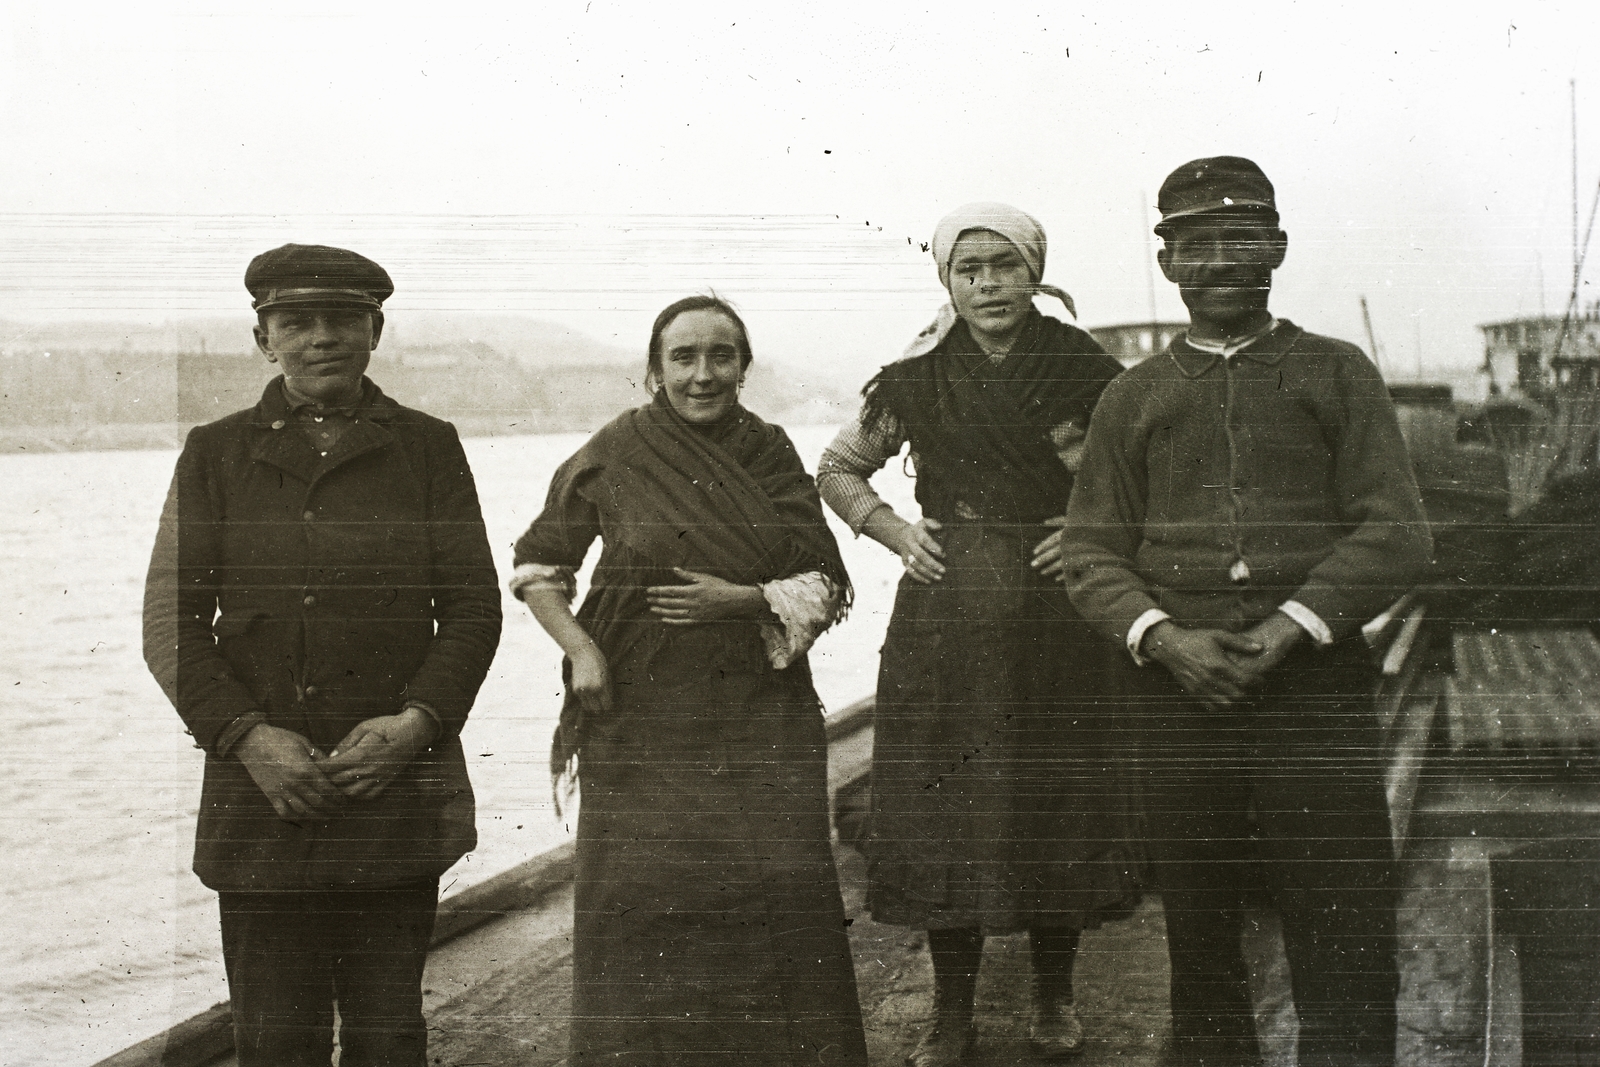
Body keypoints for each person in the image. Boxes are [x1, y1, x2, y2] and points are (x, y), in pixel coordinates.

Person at [1061, 157, 1432, 1067]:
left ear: (1278, 248)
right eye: (1195, 244)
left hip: (1313, 693)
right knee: (1200, 931)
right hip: (1179, 700)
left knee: (1343, 921)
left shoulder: (1337, 373)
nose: (1221, 261)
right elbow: (1090, 552)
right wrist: (1166, 638)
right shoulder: (1130, 395)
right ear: (1168, 263)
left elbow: (1397, 534)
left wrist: (1289, 624)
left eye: (1243, 238)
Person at [142, 244, 502, 1067]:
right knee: (274, 1041)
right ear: (261, 338)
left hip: (393, 792)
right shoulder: (214, 452)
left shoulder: (428, 446)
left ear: (376, 330)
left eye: (343, 318)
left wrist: (416, 726)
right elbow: (170, 620)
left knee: (388, 1034)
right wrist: (247, 738)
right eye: (295, 321)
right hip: (262, 800)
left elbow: (474, 609)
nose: (321, 337)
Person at [816, 204, 1141, 1066]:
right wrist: (894, 530)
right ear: (947, 280)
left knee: (1057, 798)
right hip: (947, 615)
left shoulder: (1086, 369)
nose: (989, 284)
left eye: (1005, 266)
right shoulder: (914, 376)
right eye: (970, 270)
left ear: (1035, 270)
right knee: (942, 805)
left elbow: (1143, 472)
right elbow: (838, 466)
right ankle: (950, 1012)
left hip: (1057, 614)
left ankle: (1055, 997)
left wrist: (1087, 530)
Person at [509, 295, 868, 1066]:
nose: (703, 374)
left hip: (760, 712)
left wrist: (740, 600)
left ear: (743, 366)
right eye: (684, 357)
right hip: (639, 715)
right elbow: (540, 567)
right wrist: (581, 650)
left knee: (777, 895)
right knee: (643, 900)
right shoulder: (616, 450)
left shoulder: (768, 450)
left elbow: (825, 579)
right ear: (654, 369)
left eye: (720, 355)